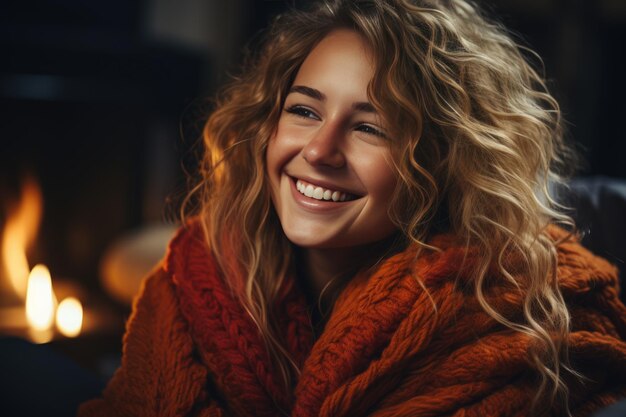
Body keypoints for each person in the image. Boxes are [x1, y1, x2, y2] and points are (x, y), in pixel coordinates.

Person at [79, 1, 626, 416]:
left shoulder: (524, 319)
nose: (318, 150)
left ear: (446, 162)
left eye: (370, 127)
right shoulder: (195, 275)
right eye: (304, 111)